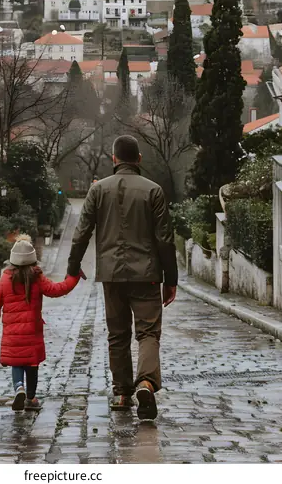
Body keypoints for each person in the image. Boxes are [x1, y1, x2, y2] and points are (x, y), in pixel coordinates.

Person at [67, 135, 178, 420]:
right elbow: (165, 239)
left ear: (114, 160)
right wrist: (171, 279)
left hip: (111, 275)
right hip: (148, 274)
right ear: (139, 159)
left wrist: (72, 266)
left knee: (117, 336)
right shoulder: (153, 191)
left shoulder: (98, 191)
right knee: (148, 332)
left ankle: (122, 393)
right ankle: (146, 382)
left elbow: (82, 232)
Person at [0, 234, 84, 411]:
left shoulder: (5, 278)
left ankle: (19, 388)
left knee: (16, 362)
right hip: (32, 333)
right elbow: (57, 289)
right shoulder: (37, 277)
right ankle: (31, 399)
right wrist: (74, 277)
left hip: (13, 334)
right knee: (32, 365)